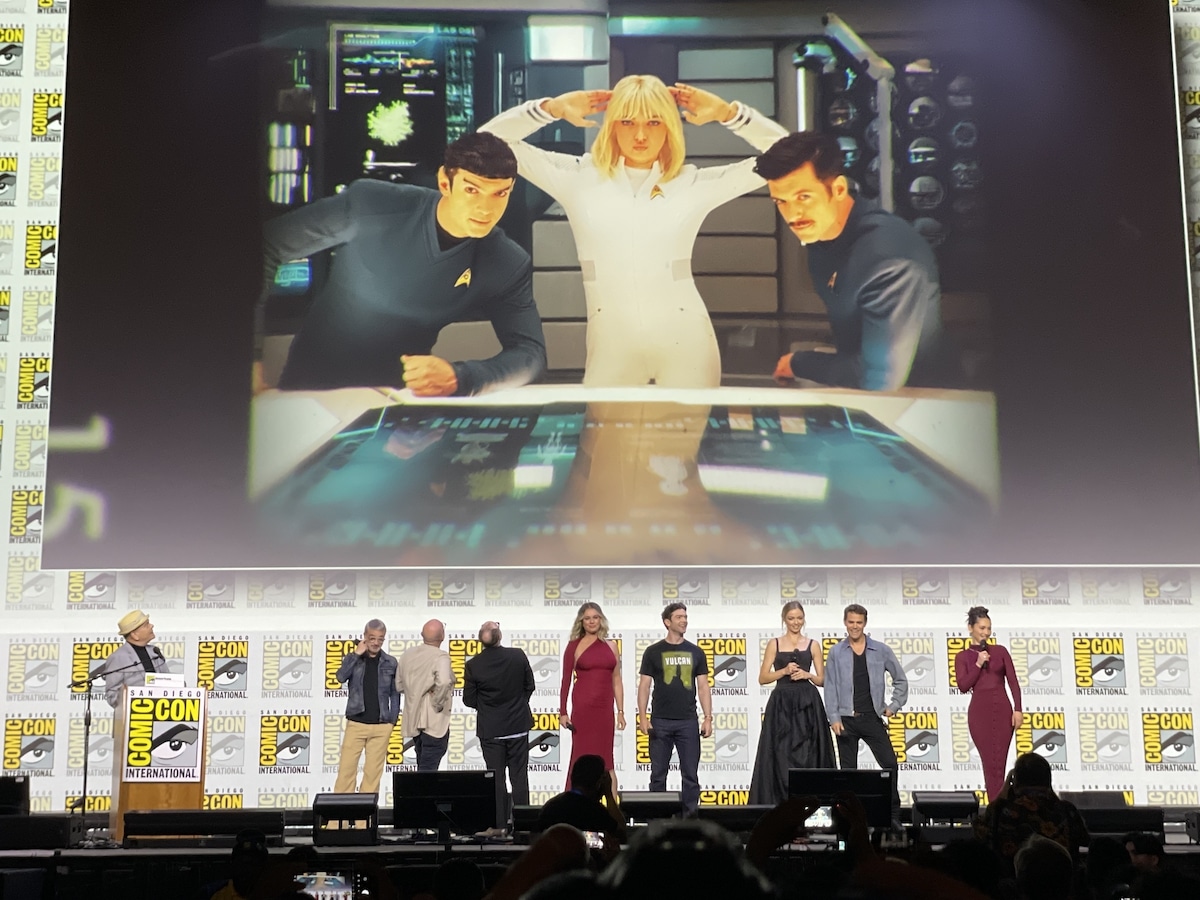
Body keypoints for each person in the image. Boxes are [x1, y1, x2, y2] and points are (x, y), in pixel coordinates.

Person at [480, 75, 787, 387]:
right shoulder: (577, 178)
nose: (640, 134)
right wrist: (551, 108)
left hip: (688, 346)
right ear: (612, 125)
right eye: (627, 122)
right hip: (611, 349)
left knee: (684, 436)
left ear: (669, 126)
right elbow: (485, 142)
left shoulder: (692, 184)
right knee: (605, 436)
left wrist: (728, 114)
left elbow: (790, 155)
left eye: (654, 122)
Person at [256, 131, 546, 395]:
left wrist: (465, 377)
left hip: (397, 400)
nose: (486, 208)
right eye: (472, 190)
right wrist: (250, 358)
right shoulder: (373, 205)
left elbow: (531, 354)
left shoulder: (506, 261)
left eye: (500, 194)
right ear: (445, 182)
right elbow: (267, 245)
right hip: (310, 390)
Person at [754, 131, 962, 391]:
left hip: (922, 404)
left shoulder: (888, 260)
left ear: (839, 189)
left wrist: (799, 363)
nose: (793, 214)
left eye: (803, 197)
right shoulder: (824, 231)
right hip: (870, 399)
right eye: (781, 201)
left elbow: (880, 378)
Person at [823, 603, 908, 831]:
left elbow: (900, 679)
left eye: (859, 622)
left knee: (889, 765)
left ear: (865, 623)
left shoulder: (880, 650)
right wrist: (833, 718)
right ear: (845, 622)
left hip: (872, 718)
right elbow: (830, 687)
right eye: (851, 622)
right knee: (848, 774)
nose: (854, 627)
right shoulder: (836, 652)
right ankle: (848, 820)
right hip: (845, 720)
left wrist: (893, 706)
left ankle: (893, 816)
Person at [749, 601, 834, 805]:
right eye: (791, 618)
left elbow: (822, 680)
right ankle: (779, 806)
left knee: (811, 755)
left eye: (799, 618)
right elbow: (762, 678)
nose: (795, 622)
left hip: (808, 703)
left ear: (804, 619)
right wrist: (784, 671)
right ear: (784, 620)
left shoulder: (813, 644)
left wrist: (807, 674)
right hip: (782, 704)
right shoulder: (774, 644)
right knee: (779, 754)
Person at [636, 603, 712, 815]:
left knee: (690, 775)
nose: (684, 620)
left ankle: (690, 820)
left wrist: (708, 718)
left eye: (685, 616)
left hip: (688, 721)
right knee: (658, 774)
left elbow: (703, 686)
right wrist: (642, 717)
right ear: (667, 622)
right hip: (660, 721)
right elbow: (644, 685)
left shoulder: (696, 652)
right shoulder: (653, 652)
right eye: (679, 617)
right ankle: (657, 819)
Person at [462, 620, 535, 834]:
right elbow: (529, 686)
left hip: (491, 730)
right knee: (519, 777)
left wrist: (489, 708)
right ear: (500, 635)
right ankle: (524, 826)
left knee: (496, 779)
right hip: (517, 726)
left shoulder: (474, 665)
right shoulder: (518, 655)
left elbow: (468, 700)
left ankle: (500, 826)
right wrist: (516, 705)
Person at [953, 605, 1022, 801]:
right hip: (979, 714)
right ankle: (995, 808)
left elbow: (1013, 682)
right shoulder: (962, 657)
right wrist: (977, 664)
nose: (986, 632)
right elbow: (963, 685)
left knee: (999, 763)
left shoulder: (1000, 651)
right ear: (970, 628)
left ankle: (998, 808)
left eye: (988, 628)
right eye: (982, 628)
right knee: (988, 764)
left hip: (1002, 710)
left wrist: (1018, 709)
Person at [974, 752, 1089, 866]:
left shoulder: (1002, 811)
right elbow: (1084, 839)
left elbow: (981, 834)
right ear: (1048, 779)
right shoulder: (1067, 810)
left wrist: (1003, 794)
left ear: (1015, 782)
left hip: (1015, 882)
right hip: (1063, 882)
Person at [559, 602, 623, 792]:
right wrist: (563, 712)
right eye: (587, 618)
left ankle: (612, 811)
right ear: (581, 621)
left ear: (601, 619)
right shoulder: (574, 646)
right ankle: (573, 806)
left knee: (607, 760)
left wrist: (621, 711)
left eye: (595, 617)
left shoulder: (611, 646)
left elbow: (617, 679)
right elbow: (565, 680)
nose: (592, 621)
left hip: (605, 711)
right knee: (580, 758)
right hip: (583, 710)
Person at [333, 619, 400, 795]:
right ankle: (337, 821)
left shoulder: (390, 662)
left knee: (372, 777)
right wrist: (356, 654)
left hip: (381, 726)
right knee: (346, 773)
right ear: (364, 637)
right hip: (356, 724)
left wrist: (391, 721)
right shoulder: (353, 658)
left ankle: (364, 822)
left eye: (380, 639)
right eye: (372, 638)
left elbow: (395, 693)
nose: (376, 643)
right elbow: (340, 677)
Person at [395, 618, 455, 771]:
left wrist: (415, 691)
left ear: (422, 634)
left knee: (423, 765)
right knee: (428, 771)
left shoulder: (407, 654)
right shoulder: (441, 656)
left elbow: (399, 685)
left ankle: (421, 793)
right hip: (433, 722)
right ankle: (424, 795)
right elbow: (444, 682)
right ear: (442, 636)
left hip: (414, 721)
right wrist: (437, 702)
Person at [536, 753, 627, 843]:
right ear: (599, 783)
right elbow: (621, 835)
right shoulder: (596, 812)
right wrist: (609, 795)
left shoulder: (551, 807)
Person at [102, 609, 169, 708]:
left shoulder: (155, 652)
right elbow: (112, 695)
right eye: (146, 625)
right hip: (136, 717)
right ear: (134, 635)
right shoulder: (118, 658)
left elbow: (170, 681)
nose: (152, 626)